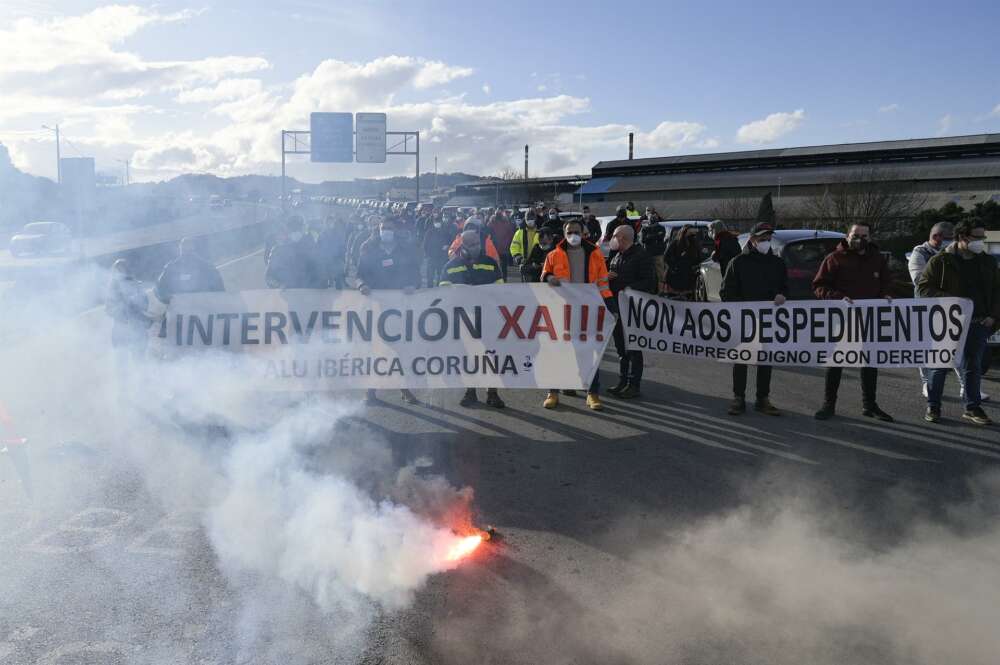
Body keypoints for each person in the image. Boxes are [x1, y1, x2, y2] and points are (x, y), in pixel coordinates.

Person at [918, 220, 1000, 425]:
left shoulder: (987, 262)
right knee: (939, 365)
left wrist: (993, 315)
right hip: (948, 322)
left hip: (979, 322)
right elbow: (924, 289)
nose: (981, 242)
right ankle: (933, 406)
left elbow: (998, 290)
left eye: (983, 237)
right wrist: (953, 302)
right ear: (962, 237)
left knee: (973, 366)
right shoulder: (941, 261)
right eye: (977, 237)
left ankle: (972, 408)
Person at [812, 223, 894, 421]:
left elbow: (887, 282)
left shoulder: (878, 259)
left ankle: (870, 405)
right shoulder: (834, 258)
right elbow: (819, 286)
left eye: (864, 235)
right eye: (856, 235)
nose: (860, 239)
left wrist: (887, 295)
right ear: (847, 236)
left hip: (870, 318)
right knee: (836, 362)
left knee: (870, 363)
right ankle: (829, 404)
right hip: (842, 319)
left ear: (870, 237)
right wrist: (837, 298)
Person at [908, 222, 989, 402]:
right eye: (948, 239)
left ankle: (965, 387)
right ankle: (927, 384)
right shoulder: (920, 253)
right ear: (937, 237)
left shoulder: (958, 254)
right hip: (927, 309)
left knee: (959, 348)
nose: (952, 242)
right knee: (929, 350)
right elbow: (919, 279)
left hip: (954, 310)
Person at [541, 218, 613, 410]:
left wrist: (607, 305)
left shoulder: (595, 254)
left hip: (588, 310)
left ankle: (592, 393)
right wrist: (551, 279)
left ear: (583, 233)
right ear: (564, 234)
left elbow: (603, 282)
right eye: (569, 232)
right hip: (562, 310)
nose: (573, 235)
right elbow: (544, 275)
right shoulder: (554, 255)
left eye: (576, 231)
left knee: (590, 352)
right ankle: (553, 392)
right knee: (557, 353)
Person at [720, 223, 787, 416]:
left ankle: (762, 398)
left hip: (769, 320)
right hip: (744, 320)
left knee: (765, 359)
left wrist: (782, 295)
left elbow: (785, 287)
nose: (765, 242)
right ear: (752, 240)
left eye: (768, 239)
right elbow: (726, 292)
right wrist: (744, 306)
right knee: (741, 359)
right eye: (762, 239)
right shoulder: (738, 262)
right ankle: (738, 398)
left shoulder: (777, 264)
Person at [357, 218, 421, 405]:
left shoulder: (405, 250)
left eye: (390, 228)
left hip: (399, 308)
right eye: (383, 228)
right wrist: (361, 285)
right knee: (375, 350)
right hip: (376, 307)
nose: (386, 231)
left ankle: (405, 389)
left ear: (396, 231)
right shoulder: (370, 250)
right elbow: (360, 274)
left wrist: (413, 285)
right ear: (378, 229)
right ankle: (370, 390)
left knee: (400, 351)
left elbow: (416, 274)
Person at [439, 229, 506, 409]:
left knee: (490, 356)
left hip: (488, 318)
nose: (476, 247)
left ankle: (492, 392)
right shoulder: (450, 266)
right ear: (463, 245)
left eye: (478, 243)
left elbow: (500, 288)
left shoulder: (490, 263)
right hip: (464, 319)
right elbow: (442, 290)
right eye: (472, 244)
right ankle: (471, 391)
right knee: (468, 356)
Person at [607, 225, 656, 399]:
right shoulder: (616, 256)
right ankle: (622, 381)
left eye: (614, 236)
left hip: (633, 310)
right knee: (621, 348)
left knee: (633, 349)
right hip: (617, 309)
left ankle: (633, 385)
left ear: (623, 237)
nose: (611, 238)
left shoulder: (642, 256)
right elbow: (610, 277)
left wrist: (628, 288)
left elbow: (650, 282)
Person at [106, 259, 151, 388]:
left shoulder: (135, 284)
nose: (121, 271)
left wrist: (136, 301)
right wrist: (122, 314)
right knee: (121, 362)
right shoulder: (112, 287)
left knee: (139, 360)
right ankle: (123, 390)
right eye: (118, 269)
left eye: (123, 268)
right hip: (121, 329)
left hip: (138, 328)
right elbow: (109, 308)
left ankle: (142, 388)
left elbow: (145, 304)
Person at [155, 236, 224, 304]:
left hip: (202, 308)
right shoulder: (171, 268)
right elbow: (160, 288)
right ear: (180, 251)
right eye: (185, 251)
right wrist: (167, 299)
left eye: (189, 251)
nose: (187, 256)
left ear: (193, 250)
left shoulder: (207, 267)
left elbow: (219, 288)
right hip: (178, 309)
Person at [266, 216, 323, 288]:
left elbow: (323, 272)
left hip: (309, 293)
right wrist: (281, 286)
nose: (296, 231)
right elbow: (270, 277)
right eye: (293, 228)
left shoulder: (313, 247)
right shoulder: (279, 250)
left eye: (298, 227)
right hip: (291, 293)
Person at [661, 225, 701, 299]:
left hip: (688, 276)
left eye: (693, 234)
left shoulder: (694, 244)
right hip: (675, 276)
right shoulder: (675, 243)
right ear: (684, 233)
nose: (692, 236)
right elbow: (666, 257)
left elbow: (698, 258)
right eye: (689, 233)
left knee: (688, 298)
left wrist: (695, 267)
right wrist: (674, 267)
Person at [422, 213, 457, 288]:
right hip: (431, 257)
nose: (437, 224)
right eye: (436, 222)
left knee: (440, 274)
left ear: (441, 223)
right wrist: (427, 254)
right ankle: (429, 288)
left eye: (439, 222)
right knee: (430, 275)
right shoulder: (429, 232)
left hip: (442, 257)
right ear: (434, 223)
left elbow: (450, 242)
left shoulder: (445, 232)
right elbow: (425, 244)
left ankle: (438, 288)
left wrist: (447, 246)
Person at [315, 215, 349, 288]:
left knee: (338, 281)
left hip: (336, 259)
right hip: (325, 259)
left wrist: (342, 259)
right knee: (324, 281)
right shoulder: (322, 234)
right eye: (328, 222)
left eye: (331, 222)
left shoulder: (337, 234)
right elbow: (318, 246)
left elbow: (342, 246)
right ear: (325, 223)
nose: (329, 224)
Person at [639, 207, 667, 287]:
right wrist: (656, 235)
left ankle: (660, 291)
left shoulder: (661, 228)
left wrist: (650, 237)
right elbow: (643, 240)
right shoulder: (645, 229)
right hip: (649, 254)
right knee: (650, 273)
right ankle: (651, 289)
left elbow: (661, 236)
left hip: (658, 253)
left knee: (660, 274)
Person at [488, 210, 517, 282]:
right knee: (503, 266)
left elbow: (488, 234)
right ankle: (504, 279)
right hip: (503, 248)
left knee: (495, 265)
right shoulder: (506, 223)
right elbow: (511, 235)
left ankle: (497, 279)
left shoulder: (492, 222)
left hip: (495, 248)